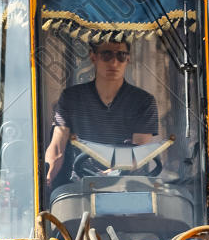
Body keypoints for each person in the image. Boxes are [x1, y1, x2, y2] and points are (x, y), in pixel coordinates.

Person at [44, 40, 159, 184]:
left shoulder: (143, 101)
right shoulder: (71, 97)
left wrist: (110, 175)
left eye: (121, 55)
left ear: (128, 59)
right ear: (93, 57)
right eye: (106, 55)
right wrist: (47, 178)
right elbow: (57, 148)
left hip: (129, 186)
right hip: (81, 185)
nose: (114, 62)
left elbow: (137, 151)